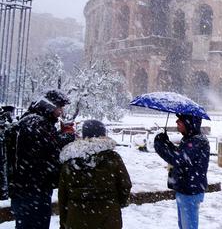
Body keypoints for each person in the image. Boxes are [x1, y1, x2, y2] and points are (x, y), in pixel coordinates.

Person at [6, 89, 75, 229]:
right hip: (33, 190)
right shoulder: (37, 123)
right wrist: (67, 137)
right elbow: (50, 153)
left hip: (26, 189)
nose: (61, 111)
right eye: (59, 107)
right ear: (50, 105)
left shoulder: (32, 120)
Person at [59, 120, 131, 229]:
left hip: (77, 216)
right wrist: (116, 203)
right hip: (108, 215)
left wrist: (64, 221)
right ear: (103, 134)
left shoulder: (70, 160)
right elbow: (125, 184)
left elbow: (63, 194)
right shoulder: (112, 157)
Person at [154, 114, 210, 229]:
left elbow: (178, 158)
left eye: (181, 120)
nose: (177, 121)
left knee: (188, 226)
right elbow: (180, 155)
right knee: (184, 226)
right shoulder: (189, 139)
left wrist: (160, 145)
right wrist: (166, 143)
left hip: (190, 192)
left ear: (190, 123)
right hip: (185, 189)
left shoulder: (197, 141)